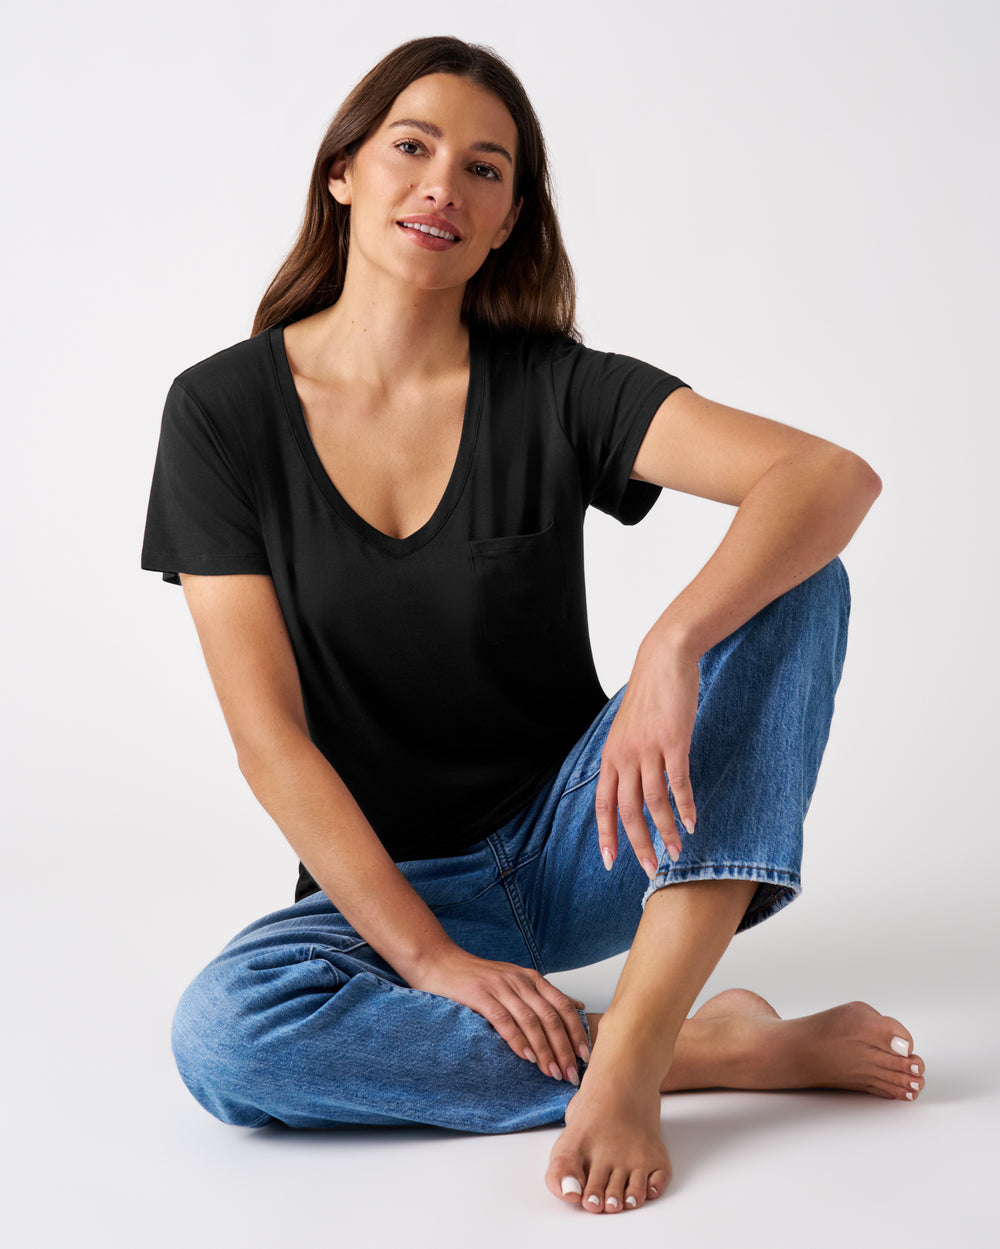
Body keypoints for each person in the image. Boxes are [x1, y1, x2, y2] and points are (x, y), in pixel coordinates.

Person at [141, 35, 922, 1215]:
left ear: (507, 220)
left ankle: (634, 1054)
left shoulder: (551, 385)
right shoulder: (220, 412)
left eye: (486, 168)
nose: (443, 184)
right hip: (392, 886)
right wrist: (430, 959)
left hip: (593, 829)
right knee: (227, 1039)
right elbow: (272, 744)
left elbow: (827, 477)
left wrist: (671, 644)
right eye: (412, 146)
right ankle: (699, 1048)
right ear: (344, 171)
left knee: (797, 578)